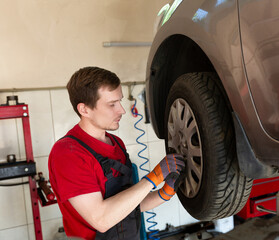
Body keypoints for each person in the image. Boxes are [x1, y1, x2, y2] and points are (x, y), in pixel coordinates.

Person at [48, 66, 185, 240]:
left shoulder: (116, 144)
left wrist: (164, 193)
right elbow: (101, 220)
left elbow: (127, 207)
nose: (122, 110)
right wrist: (153, 178)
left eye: (119, 101)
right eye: (112, 104)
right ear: (84, 110)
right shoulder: (68, 153)